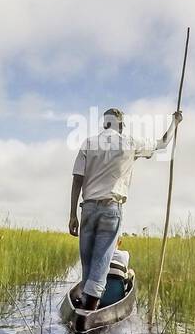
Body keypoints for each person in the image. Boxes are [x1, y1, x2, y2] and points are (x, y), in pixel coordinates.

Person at [69, 107, 182, 310]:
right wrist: (175, 122)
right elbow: (162, 144)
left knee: (87, 262)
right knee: (102, 261)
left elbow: (78, 178)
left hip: (87, 209)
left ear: (105, 124)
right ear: (121, 125)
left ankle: (84, 309)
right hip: (111, 209)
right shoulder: (129, 142)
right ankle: (90, 312)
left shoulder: (89, 143)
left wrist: (72, 215)